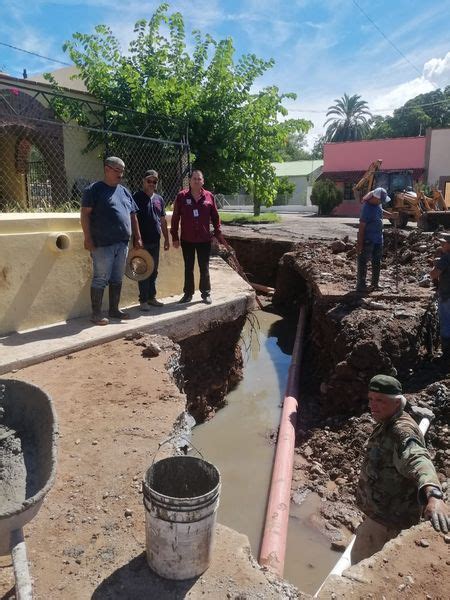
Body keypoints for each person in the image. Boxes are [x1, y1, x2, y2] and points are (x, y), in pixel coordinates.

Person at [351, 374, 449, 564]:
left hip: (386, 521)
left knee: (359, 565)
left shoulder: (400, 431)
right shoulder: (388, 422)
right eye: (371, 399)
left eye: (380, 400)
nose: (373, 405)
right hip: (383, 513)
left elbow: (418, 458)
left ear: (397, 403)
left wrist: (434, 495)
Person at [81, 156, 143, 325]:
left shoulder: (124, 191)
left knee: (117, 278)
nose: (121, 175)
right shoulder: (93, 190)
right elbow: (85, 214)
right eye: (118, 171)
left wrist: (137, 237)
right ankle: (96, 314)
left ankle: (114, 310)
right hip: (102, 244)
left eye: (122, 171)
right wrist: (87, 238)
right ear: (107, 169)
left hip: (122, 243)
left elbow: (133, 216)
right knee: (101, 278)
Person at [170, 170, 225, 304]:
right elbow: (175, 217)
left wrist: (217, 233)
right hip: (187, 239)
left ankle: (205, 294)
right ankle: (188, 294)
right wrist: (175, 237)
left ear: (203, 181)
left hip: (204, 239)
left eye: (199, 179)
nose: (196, 181)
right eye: (194, 179)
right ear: (190, 181)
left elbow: (216, 217)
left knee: (204, 267)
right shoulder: (182, 196)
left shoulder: (209, 196)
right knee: (188, 267)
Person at [133, 170, 170, 309]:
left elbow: (162, 220)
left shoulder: (159, 199)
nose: (152, 184)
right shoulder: (136, 197)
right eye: (149, 181)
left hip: (155, 241)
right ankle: (143, 301)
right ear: (143, 181)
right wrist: (137, 238)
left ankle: (151, 297)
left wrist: (166, 239)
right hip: (141, 242)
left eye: (154, 181)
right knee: (143, 270)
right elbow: (133, 218)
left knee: (153, 270)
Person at [356, 187, 396, 292]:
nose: (382, 202)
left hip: (378, 239)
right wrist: (360, 243)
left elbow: (381, 211)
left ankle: (375, 284)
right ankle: (361, 285)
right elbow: (362, 226)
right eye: (381, 200)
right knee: (363, 262)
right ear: (374, 198)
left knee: (377, 262)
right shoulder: (367, 208)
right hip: (368, 240)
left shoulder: (377, 204)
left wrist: (391, 215)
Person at [430, 232, 450, 362]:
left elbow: (433, 274)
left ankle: (446, 355)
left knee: (446, 324)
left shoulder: (446, 258)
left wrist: (434, 265)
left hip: (447, 296)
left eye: (444, 243)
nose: (441, 245)